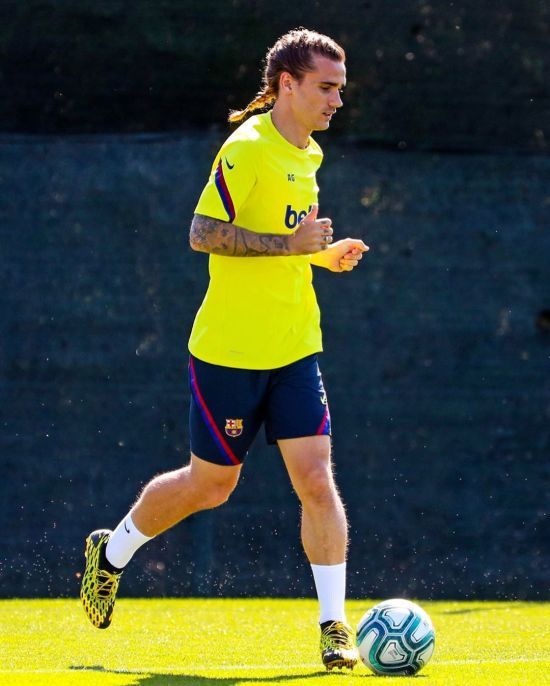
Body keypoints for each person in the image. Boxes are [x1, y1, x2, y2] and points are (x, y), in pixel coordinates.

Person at [80, 27, 368, 671]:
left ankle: (333, 628)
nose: (336, 101)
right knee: (211, 486)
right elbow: (203, 232)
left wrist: (322, 256)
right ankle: (113, 552)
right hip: (230, 353)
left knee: (316, 481)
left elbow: (284, 244)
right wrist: (292, 247)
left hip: (295, 346)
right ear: (287, 84)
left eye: (340, 89)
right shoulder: (247, 149)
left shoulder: (309, 155)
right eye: (326, 88)